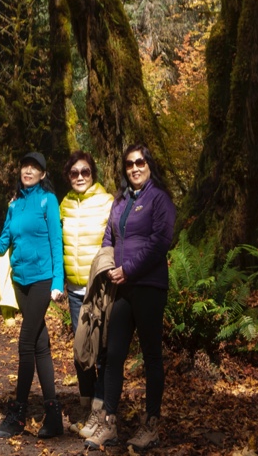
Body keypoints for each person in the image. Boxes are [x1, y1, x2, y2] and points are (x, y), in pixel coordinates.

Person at [0, 150, 66, 439]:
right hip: (21, 282)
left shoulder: (48, 201)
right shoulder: (14, 205)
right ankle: (53, 414)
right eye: (25, 166)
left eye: (35, 167)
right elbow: (1, 245)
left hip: (42, 280)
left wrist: (57, 282)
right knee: (40, 346)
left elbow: (56, 242)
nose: (28, 171)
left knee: (26, 343)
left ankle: (18, 413)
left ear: (43, 174)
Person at [85, 144, 175, 451]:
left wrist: (129, 269)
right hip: (121, 288)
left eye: (140, 162)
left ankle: (151, 424)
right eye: (129, 164)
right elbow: (110, 236)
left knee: (151, 357)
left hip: (149, 286)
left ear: (149, 165)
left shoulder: (159, 199)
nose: (134, 168)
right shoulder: (121, 201)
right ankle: (110, 422)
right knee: (113, 355)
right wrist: (108, 264)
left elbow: (161, 241)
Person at [58, 150, 114, 420]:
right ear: (68, 177)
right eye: (74, 173)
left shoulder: (106, 201)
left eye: (85, 172)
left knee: (102, 347)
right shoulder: (64, 204)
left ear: (92, 174)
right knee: (81, 348)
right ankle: (86, 396)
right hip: (75, 291)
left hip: (101, 289)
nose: (80, 177)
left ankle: (100, 402)